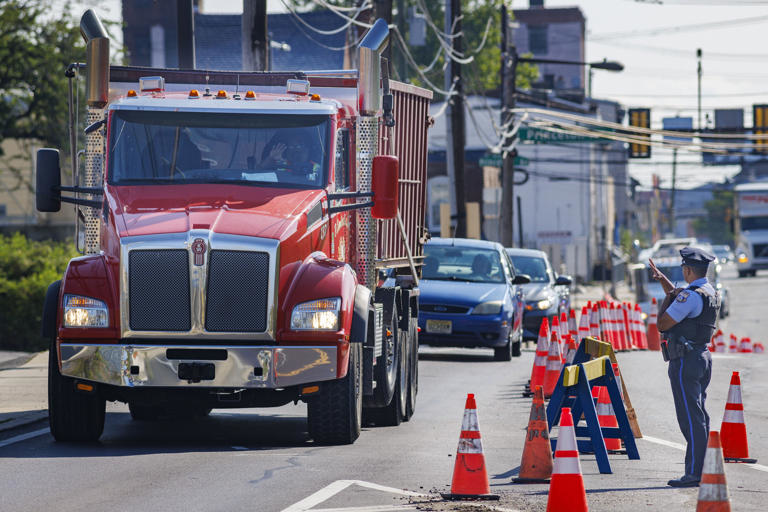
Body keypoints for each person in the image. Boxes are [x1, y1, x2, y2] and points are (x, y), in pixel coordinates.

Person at [649, 246, 720, 488]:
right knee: (699, 415)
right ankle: (703, 467)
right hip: (701, 356)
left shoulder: (688, 297)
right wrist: (665, 283)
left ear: (688, 270)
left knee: (690, 417)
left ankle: (694, 473)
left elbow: (663, 323)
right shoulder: (708, 291)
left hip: (685, 361)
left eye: (683, 268)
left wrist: (667, 298)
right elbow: (683, 296)